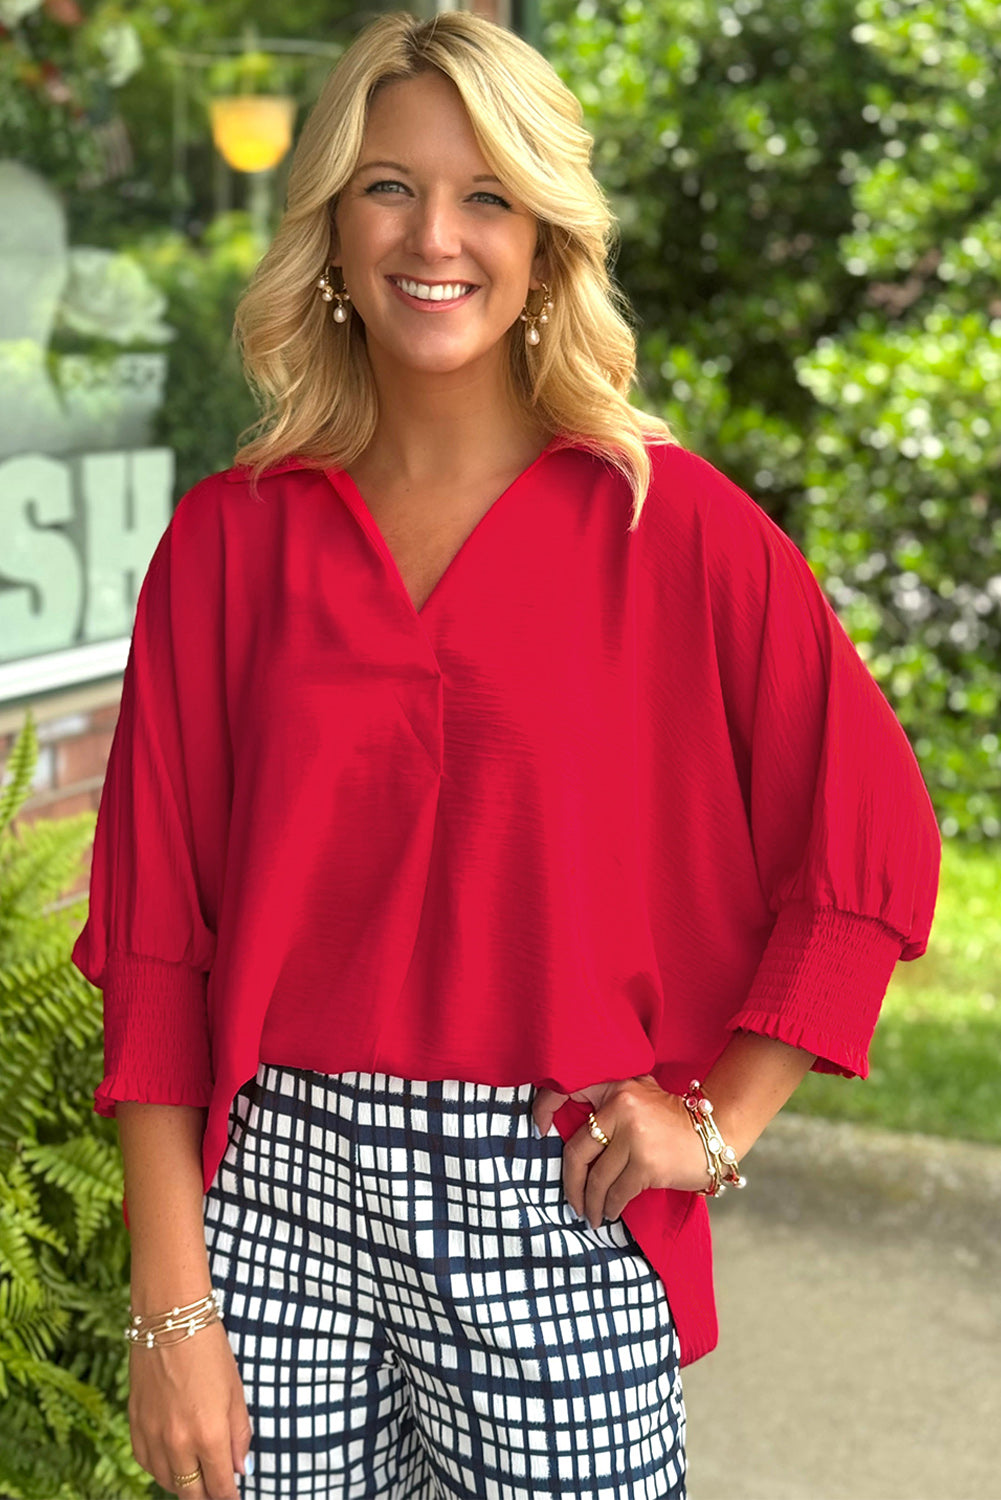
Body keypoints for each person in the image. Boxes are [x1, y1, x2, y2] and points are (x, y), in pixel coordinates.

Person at [71, 10, 941, 1500]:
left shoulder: (670, 527)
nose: (436, 237)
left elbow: (867, 831)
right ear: (332, 225)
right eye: (389, 187)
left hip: (556, 1197)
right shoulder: (227, 544)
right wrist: (171, 1305)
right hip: (272, 1200)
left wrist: (719, 1125)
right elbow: (157, 942)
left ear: (544, 241)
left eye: (487, 196)